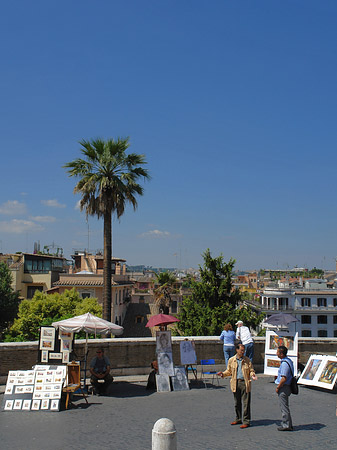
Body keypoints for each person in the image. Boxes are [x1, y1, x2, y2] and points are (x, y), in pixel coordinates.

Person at [217, 343, 257, 429]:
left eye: (244, 350)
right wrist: (222, 374)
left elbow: (251, 370)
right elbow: (229, 371)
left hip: (245, 383)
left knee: (246, 403)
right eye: (241, 350)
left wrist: (252, 375)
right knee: (237, 403)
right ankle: (238, 418)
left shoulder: (247, 360)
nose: (243, 352)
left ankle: (246, 421)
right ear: (237, 350)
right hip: (235, 383)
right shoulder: (232, 360)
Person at [275, 345, 294, 431]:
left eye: (278, 352)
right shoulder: (289, 361)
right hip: (287, 386)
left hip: (284, 387)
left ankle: (286, 425)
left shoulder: (284, 364)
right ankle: (288, 423)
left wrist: (278, 387)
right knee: (285, 406)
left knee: (284, 407)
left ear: (281, 354)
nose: (276, 353)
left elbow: (284, 378)